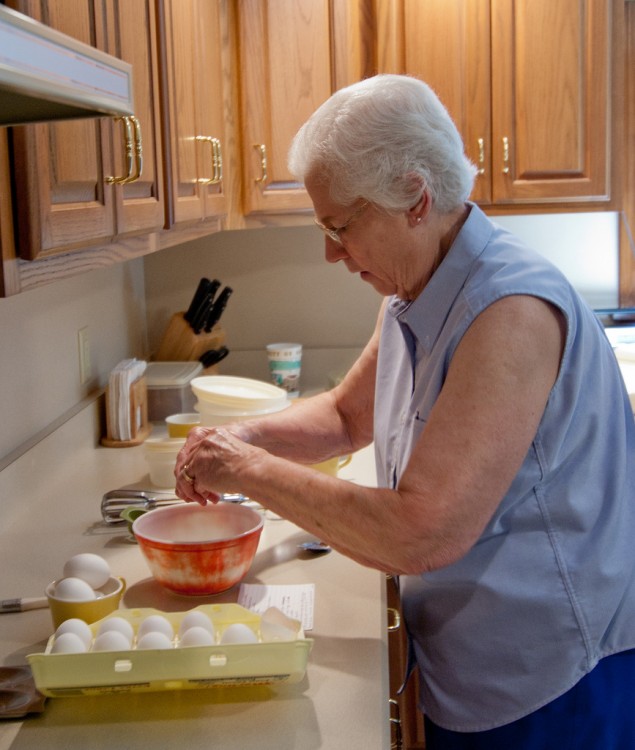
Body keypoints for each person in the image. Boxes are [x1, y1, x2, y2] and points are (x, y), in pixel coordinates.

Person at [175, 74, 635, 748]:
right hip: (476, 653)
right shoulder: (412, 291)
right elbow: (341, 416)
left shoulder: (508, 312)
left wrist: (245, 468)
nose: (330, 251)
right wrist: (233, 439)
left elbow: (423, 532)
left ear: (415, 199)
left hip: (551, 675)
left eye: (338, 226)